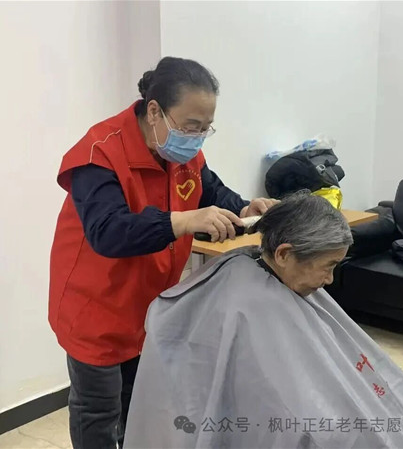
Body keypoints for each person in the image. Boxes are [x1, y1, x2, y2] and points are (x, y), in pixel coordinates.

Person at [48, 56, 277, 449]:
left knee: (139, 403)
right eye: (191, 126)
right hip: (95, 306)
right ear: (154, 111)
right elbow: (108, 232)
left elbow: (210, 191)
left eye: (206, 128)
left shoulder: (181, 153)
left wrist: (244, 209)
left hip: (148, 303)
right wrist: (183, 221)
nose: (197, 137)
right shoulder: (99, 153)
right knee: (98, 412)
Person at [124, 193, 403, 449]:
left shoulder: (277, 280)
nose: (329, 280)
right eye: (328, 266)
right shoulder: (246, 304)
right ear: (283, 254)